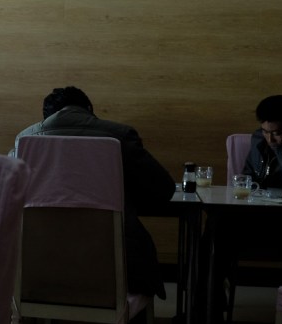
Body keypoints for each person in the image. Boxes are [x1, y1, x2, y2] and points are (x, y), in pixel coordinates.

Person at [11, 86, 174, 300]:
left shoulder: (24, 142)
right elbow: (163, 188)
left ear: (46, 117)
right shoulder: (120, 135)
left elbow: (9, 196)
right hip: (115, 263)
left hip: (41, 262)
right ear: (88, 109)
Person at [203, 95, 282, 318]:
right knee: (215, 226)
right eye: (265, 131)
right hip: (258, 219)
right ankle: (207, 305)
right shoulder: (258, 140)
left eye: (277, 134)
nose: (270, 139)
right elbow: (248, 177)